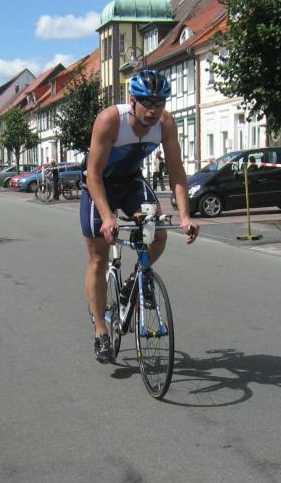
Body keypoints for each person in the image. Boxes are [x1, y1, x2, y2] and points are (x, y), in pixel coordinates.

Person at [81, 69, 199, 363]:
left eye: (159, 103)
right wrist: (108, 217)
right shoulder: (110, 120)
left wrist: (186, 216)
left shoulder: (165, 123)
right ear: (132, 100)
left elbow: (177, 172)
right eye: (147, 102)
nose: (153, 110)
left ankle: (136, 279)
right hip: (99, 185)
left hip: (131, 183)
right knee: (98, 257)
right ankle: (101, 330)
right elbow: (93, 174)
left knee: (158, 233)